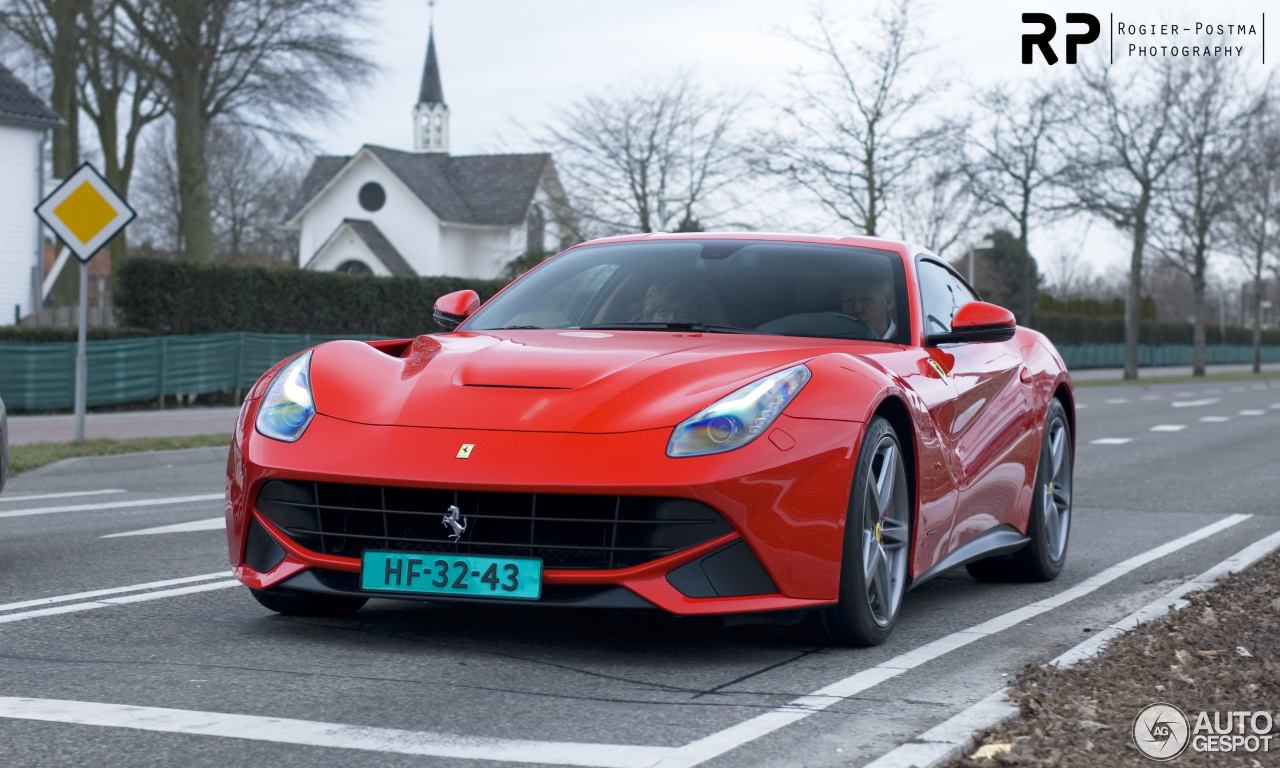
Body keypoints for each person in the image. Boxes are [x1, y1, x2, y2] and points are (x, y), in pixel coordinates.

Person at [839, 270, 897, 340]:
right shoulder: (834, 340)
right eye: (848, 300)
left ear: (888, 301)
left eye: (865, 299)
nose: (856, 309)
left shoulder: (907, 341)